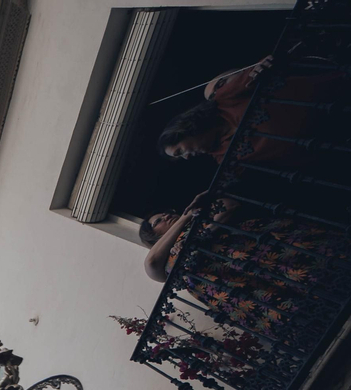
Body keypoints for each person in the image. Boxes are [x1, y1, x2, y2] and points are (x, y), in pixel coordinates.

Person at [142, 192, 345, 341]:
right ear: (153, 236)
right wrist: (184, 218)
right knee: (290, 308)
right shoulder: (163, 260)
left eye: (165, 213)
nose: (166, 216)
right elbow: (151, 263)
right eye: (158, 221)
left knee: (312, 270)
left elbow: (228, 205)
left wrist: (201, 232)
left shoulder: (199, 219)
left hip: (256, 254)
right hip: (239, 286)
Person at [158, 54, 342, 166]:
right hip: (334, 139)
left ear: (185, 130)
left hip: (331, 95)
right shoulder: (223, 158)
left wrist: (260, 68)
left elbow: (253, 72)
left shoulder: (223, 100)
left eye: (179, 151)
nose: (186, 158)